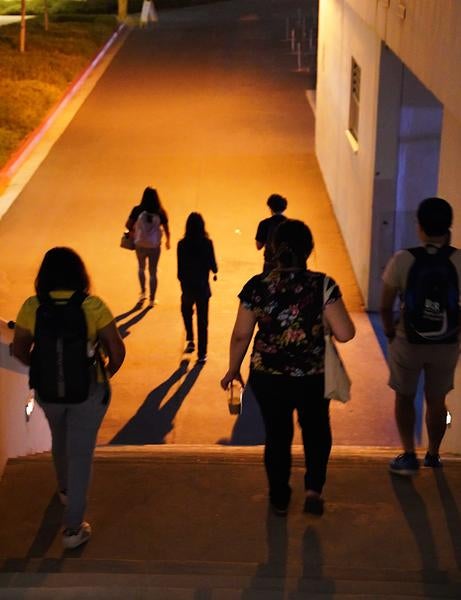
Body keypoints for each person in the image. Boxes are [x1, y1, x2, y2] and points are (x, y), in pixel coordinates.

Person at [220, 219, 355, 516]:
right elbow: (345, 333)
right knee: (317, 430)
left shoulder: (258, 286)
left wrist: (233, 369)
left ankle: (279, 496)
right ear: (309, 250)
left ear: (272, 249)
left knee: (277, 434)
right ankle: (313, 490)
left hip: (267, 377)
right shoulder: (322, 284)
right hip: (312, 376)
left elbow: (242, 334)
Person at [12, 247, 126, 549]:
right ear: (80, 275)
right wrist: (103, 375)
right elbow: (117, 352)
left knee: (58, 439)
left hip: (48, 391)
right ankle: (73, 529)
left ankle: (64, 488)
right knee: (81, 454)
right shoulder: (93, 306)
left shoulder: (32, 306)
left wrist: (40, 367)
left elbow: (19, 349)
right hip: (88, 391)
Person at [380, 197, 461, 476]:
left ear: (420, 228)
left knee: (404, 396)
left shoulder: (404, 259)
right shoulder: (459, 260)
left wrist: (391, 333)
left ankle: (409, 455)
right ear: (449, 228)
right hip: (447, 343)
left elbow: (385, 303)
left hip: (408, 341)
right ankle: (434, 455)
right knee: (437, 400)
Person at [177, 212, 218, 363]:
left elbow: (180, 269)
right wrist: (213, 270)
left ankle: (190, 338)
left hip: (187, 286)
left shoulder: (181, 244)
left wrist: (183, 281)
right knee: (203, 321)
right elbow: (214, 265)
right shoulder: (207, 243)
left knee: (186, 312)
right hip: (202, 287)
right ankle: (202, 353)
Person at [126, 187, 170, 307]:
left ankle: (142, 293)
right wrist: (167, 241)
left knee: (141, 268)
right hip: (154, 246)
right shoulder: (160, 212)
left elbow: (128, 225)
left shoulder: (137, 210)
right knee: (153, 272)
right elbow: (166, 229)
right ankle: (152, 300)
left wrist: (135, 232)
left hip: (139, 243)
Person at [255, 194, 288, 273]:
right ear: (284, 208)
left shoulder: (264, 223)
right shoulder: (291, 224)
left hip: (270, 265)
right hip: (286, 266)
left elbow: (258, 246)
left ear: (270, 207)